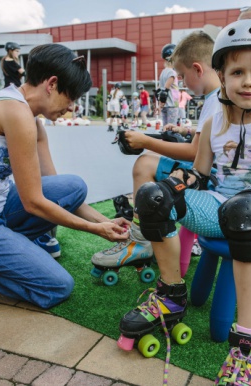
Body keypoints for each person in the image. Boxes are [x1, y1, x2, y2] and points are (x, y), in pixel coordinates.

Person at [117, 20, 251, 384]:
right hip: (217, 206)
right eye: (237, 71)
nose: (247, 81)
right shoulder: (214, 122)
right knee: (153, 196)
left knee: (245, 210)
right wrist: (180, 181)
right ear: (221, 76)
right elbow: (203, 174)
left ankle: (247, 344)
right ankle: (170, 296)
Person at [0, 44, 130, 308]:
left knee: (72, 186)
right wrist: (94, 229)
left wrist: (105, 220)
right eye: (71, 97)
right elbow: (33, 202)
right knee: (56, 286)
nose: (71, 108)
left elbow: (55, 191)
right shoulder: (15, 113)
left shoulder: (30, 118)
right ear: (52, 84)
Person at [91, 30, 222, 278]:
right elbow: (207, 137)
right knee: (148, 162)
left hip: (209, 178)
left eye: (182, 76)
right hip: (212, 173)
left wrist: (146, 141)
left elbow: (196, 152)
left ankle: (140, 241)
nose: (182, 82)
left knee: (144, 164)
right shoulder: (216, 97)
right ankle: (142, 237)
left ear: (198, 69)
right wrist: (187, 129)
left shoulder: (214, 101)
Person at [157, 44, 180, 126]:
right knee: (171, 126)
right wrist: (162, 102)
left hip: (166, 105)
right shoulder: (172, 72)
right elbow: (165, 90)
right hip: (172, 105)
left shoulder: (163, 72)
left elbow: (159, 89)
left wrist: (160, 104)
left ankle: (164, 138)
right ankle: (169, 139)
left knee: (165, 125)